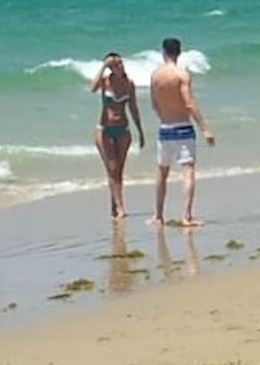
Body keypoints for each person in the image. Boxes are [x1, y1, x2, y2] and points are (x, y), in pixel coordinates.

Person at [149, 39, 215, 228]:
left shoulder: (155, 75)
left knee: (162, 172)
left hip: (165, 128)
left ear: (163, 52)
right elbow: (189, 103)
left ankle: (158, 216)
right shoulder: (181, 75)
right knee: (188, 171)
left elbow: (154, 104)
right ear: (179, 53)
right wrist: (205, 129)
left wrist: (164, 117)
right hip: (183, 128)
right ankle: (186, 216)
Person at [89, 52, 145, 218]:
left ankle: (115, 205)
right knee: (112, 168)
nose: (120, 66)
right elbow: (92, 88)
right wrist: (104, 66)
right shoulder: (105, 82)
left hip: (123, 130)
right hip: (104, 130)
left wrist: (140, 131)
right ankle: (120, 208)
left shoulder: (129, 84)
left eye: (121, 63)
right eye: (116, 64)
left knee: (118, 171)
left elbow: (133, 108)